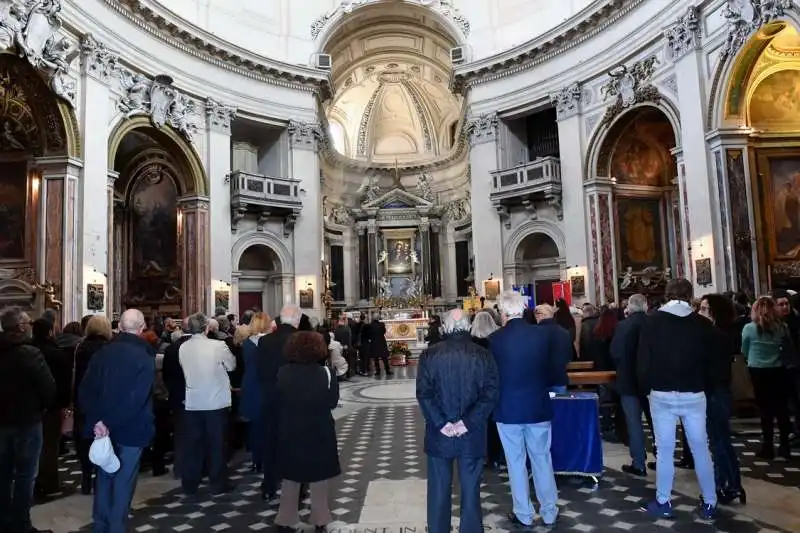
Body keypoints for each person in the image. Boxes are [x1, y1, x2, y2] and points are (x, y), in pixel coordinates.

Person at [637, 278, 717, 520]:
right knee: (701, 447)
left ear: (667, 294)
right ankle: (710, 502)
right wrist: (707, 388)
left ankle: (663, 500)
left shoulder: (652, 322)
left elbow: (643, 361)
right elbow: (711, 362)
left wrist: (646, 388)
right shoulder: (703, 324)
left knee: (664, 449)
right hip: (694, 392)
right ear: (690, 295)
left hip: (661, 393)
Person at [417, 309, 499, 533]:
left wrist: (442, 423)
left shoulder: (429, 355)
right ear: (468, 325)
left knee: (439, 489)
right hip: (471, 434)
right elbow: (490, 394)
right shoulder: (483, 354)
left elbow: (424, 394)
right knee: (471, 489)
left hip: (439, 433)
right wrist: (467, 423)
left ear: (444, 327)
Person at [489, 291, 563, 528]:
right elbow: (553, 371)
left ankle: (523, 513)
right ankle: (549, 510)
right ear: (524, 309)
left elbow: (491, 378)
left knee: (515, 462)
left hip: (508, 409)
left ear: (503, 313)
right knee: (542, 458)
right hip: (537, 407)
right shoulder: (541, 336)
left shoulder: (494, 339)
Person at [78, 309, 155, 533]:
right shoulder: (145, 355)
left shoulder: (102, 353)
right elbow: (137, 399)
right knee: (124, 481)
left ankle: (100, 525)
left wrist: (98, 421)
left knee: (104, 477)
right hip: (131, 427)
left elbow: (86, 390)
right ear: (141, 329)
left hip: (103, 427)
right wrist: (108, 422)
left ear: (120, 327)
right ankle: (116, 528)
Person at [274, 331, 341, 533]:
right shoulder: (326, 372)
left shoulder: (282, 372)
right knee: (319, 474)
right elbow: (332, 402)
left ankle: (285, 519)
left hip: (290, 426)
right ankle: (321, 518)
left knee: (291, 475)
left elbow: (278, 398)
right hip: (318, 427)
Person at [0, 307, 56, 533]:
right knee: (25, 476)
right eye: (28, 323)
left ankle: (3, 523)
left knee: (2, 475)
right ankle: (21, 526)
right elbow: (49, 388)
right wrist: (42, 407)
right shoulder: (29, 354)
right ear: (21, 327)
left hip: (1, 423)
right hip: (27, 422)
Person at [178, 313, 236, 495]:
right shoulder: (217, 345)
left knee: (193, 445)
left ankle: (190, 483)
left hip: (193, 402)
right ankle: (217, 482)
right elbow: (232, 365)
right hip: (215, 402)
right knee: (217, 444)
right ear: (207, 328)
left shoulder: (183, 347)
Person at [699, 294, 745, 505]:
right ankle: (734, 485)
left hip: (715, 391)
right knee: (722, 441)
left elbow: (713, 369)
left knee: (718, 442)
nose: (700, 312)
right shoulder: (718, 334)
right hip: (718, 390)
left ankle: (723, 486)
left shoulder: (714, 335)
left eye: (704, 309)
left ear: (715, 312)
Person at [258, 304, 301, 500]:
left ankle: (269, 486)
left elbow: (261, 371)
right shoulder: (300, 340)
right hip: (294, 399)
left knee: (270, 442)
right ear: (297, 320)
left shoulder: (265, 341)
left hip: (270, 397)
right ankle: (297, 487)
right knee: (296, 444)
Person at [742, 296, 792, 460]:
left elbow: (744, 349)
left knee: (765, 410)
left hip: (758, 370)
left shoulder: (749, 328)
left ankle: (768, 446)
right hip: (778, 369)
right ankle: (784, 446)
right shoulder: (782, 327)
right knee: (781, 409)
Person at [610, 294, 650, 477]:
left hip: (628, 381)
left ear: (629, 307)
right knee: (657, 424)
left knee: (634, 424)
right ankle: (663, 459)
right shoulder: (653, 323)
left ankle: (639, 463)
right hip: (651, 382)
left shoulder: (623, 325)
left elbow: (615, 352)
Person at [73, 315, 113, 494]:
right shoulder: (108, 348)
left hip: (82, 397)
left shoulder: (80, 347)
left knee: (84, 437)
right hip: (102, 397)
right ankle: (100, 475)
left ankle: (86, 476)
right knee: (102, 436)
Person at [470, 311, 503, 469]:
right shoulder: (496, 340)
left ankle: (480, 454)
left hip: (476, 386)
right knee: (493, 422)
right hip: (493, 384)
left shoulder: (471, 341)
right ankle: (495, 456)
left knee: (477, 420)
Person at [241, 312, 271, 471]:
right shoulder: (267, 342)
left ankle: (256, 458)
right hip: (264, 383)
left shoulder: (246, 342)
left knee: (254, 424)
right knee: (267, 423)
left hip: (250, 383)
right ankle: (267, 457)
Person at [533, 304, 572, 395]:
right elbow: (569, 356)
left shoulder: (533, 332)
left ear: (540, 315)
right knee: (559, 407)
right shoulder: (564, 332)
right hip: (559, 378)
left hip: (539, 381)